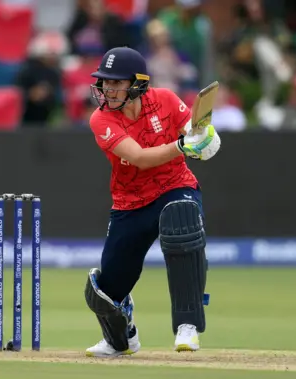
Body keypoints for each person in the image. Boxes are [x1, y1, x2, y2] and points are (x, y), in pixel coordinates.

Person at [84, 46, 221, 357]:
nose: (108, 88)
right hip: (130, 201)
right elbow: (140, 158)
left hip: (175, 186)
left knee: (181, 218)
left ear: (138, 84)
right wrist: (185, 145)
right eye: (105, 82)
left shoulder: (167, 100)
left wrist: (206, 138)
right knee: (105, 291)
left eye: (116, 82)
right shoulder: (101, 119)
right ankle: (121, 338)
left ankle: (187, 325)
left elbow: (193, 130)